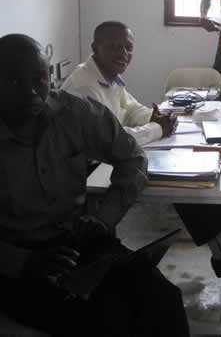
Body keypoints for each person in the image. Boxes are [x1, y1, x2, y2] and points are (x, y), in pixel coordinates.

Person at [0, 33, 190, 336]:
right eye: (13, 82)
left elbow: (132, 157)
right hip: (17, 261)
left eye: (40, 79)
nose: (32, 92)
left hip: (78, 242)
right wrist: (22, 261)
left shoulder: (73, 113)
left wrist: (104, 218)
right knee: (104, 319)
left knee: (163, 298)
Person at [62, 21, 221, 278]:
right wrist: (157, 129)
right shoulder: (85, 86)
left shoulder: (107, 75)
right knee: (177, 177)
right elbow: (114, 140)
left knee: (187, 167)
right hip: (91, 168)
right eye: (114, 47)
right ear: (95, 48)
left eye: (128, 48)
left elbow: (131, 109)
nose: (123, 54)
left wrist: (159, 115)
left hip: (114, 155)